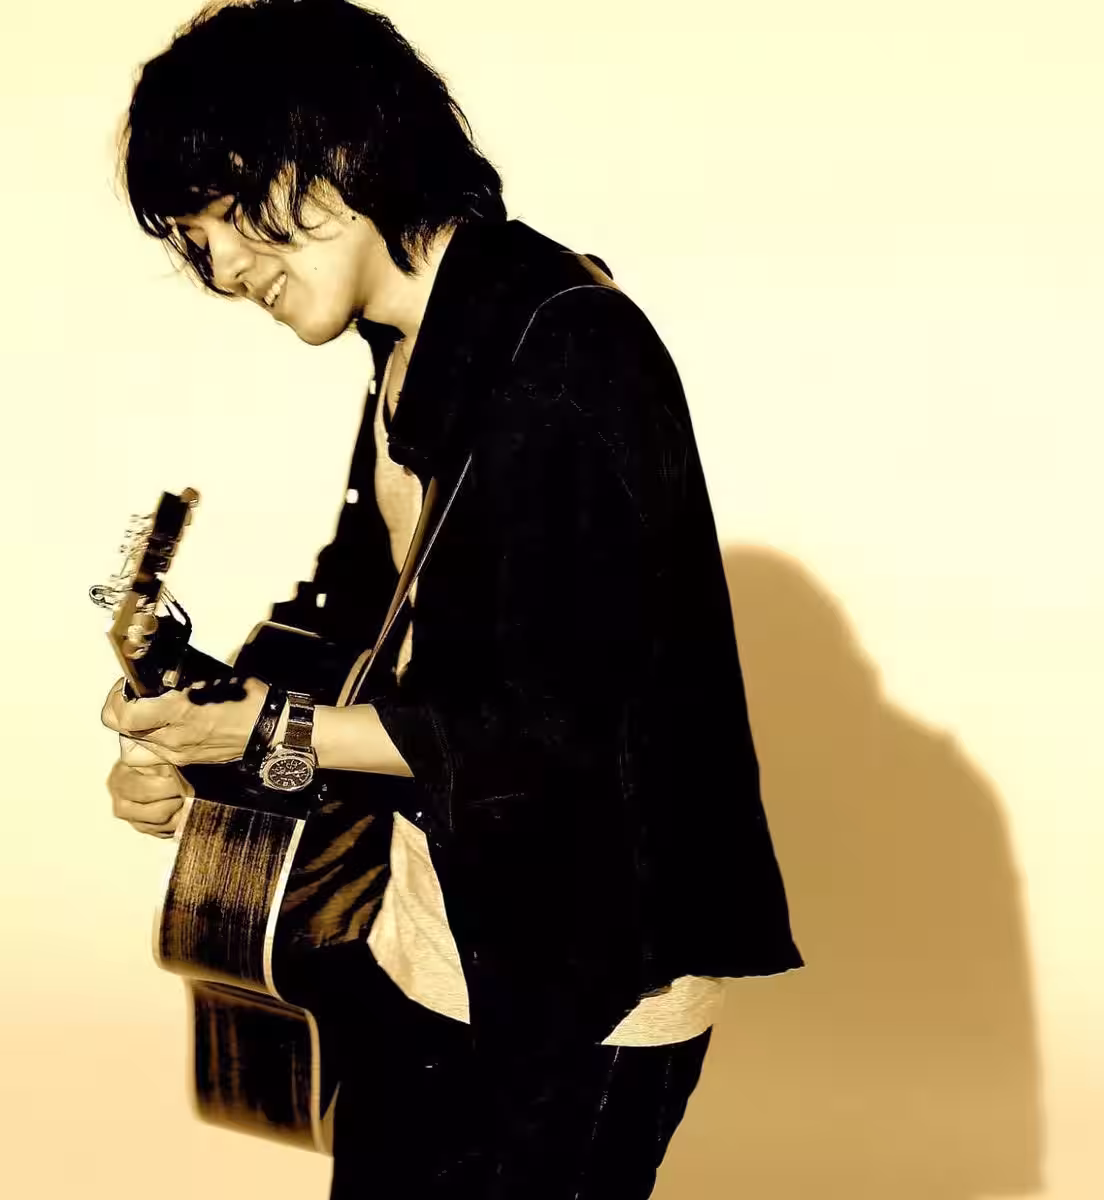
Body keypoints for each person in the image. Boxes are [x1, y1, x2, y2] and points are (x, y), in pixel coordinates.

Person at [101, 1, 803, 1196]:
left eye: (222, 214)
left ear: (335, 157)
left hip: (586, 980)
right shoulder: (407, 350)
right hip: (428, 937)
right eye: (190, 239)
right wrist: (196, 740)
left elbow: (556, 731)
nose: (218, 268)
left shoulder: (570, 352)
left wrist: (267, 739)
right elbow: (355, 633)